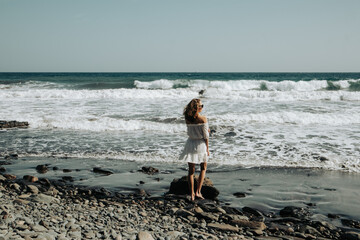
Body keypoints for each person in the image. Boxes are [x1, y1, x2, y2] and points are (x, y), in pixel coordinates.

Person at [179, 98, 210, 201]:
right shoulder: (203, 119)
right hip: (200, 144)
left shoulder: (187, 118)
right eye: (201, 106)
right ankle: (198, 192)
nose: (202, 107)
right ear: (198, 108)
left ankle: (191, 193)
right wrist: (208, 149)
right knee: (203, 168)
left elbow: (192, 130)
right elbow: (206, 136)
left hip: (190, 143)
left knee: (191, 171)